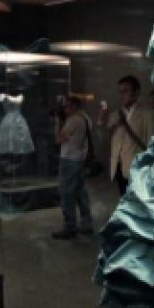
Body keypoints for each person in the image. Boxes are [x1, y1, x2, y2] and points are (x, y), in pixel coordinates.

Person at [99, 75, 154, 195]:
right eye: (120, 92)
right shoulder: (115, 114)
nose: (122, 95)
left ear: (136, 92)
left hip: (138, 169)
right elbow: (104, 138)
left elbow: (153, 145)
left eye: (125, 91)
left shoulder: (148, 114)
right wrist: (101, 120)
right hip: (118, 167)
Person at [52, 96, 95, 239]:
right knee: (81, 193)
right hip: (80, 159)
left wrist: (58, 122)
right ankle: (86, 224)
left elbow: (58, 139)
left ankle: (70, 227)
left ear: (74, 106)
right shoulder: (86, 118)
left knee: (66, 194)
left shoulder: (73, 120)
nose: (65, 109)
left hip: (69, 160)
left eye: (67, 106)